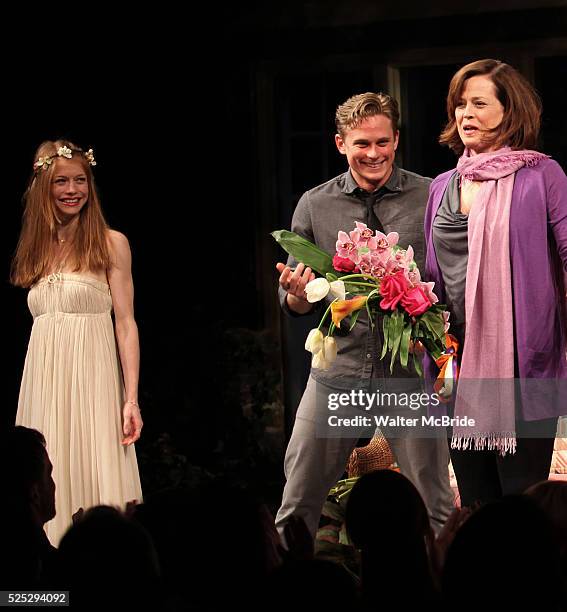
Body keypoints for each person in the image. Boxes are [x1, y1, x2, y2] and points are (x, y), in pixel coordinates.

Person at [275, 92, 454, 542]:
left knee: (433, 505)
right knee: (299, 500)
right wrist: (295, 295)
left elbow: (450, 276)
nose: (372, 154)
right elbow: (298, 301)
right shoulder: (315, 205)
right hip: (338, 372)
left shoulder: (431, 195)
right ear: (341, 144)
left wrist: (435, 335)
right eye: (361, 144)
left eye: (381, 142)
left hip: (408, 374)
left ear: (396, 140)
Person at [424, 59, 567, 507]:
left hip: (523, 365)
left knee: (522, 510)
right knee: (476, 508)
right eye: (460, 104)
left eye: (479, 103)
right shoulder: (442, 186)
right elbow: (431, 276)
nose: (465, 114)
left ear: (511, 111)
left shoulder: (542, 176)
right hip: (456, 366)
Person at [11, 140, 143, 546]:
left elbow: (125, 323)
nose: (72, 190)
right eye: (61, 181)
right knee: (50, 469)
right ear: (43, 187)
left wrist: (130, 398)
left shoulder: (110, 242)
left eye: (80, 180)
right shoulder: (34, 247)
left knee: (94, 469)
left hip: (93, 380)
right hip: (45, 382)